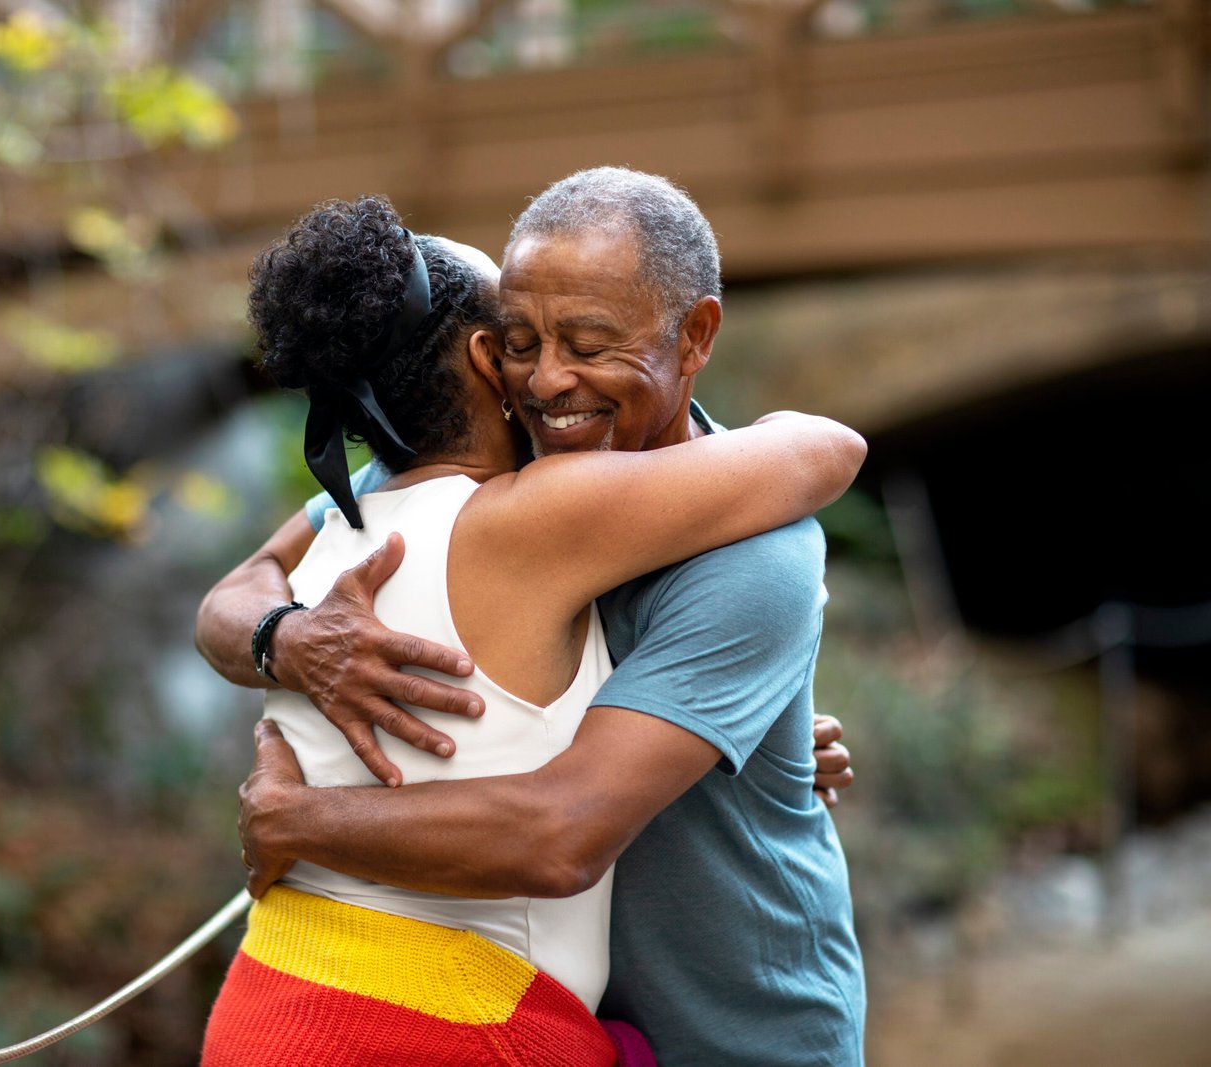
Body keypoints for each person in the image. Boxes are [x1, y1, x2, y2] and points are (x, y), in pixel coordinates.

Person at [200, 168, 868, 1065]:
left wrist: (298, 820)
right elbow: (239, 588)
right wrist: (290, 639)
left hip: (734, 1032)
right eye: (518, 340)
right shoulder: (463, 491)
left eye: (589, 342)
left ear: (695, 334)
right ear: (486, 355)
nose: (549, 379)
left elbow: (564, 828)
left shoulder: (753, 553)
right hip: (556, 1021)